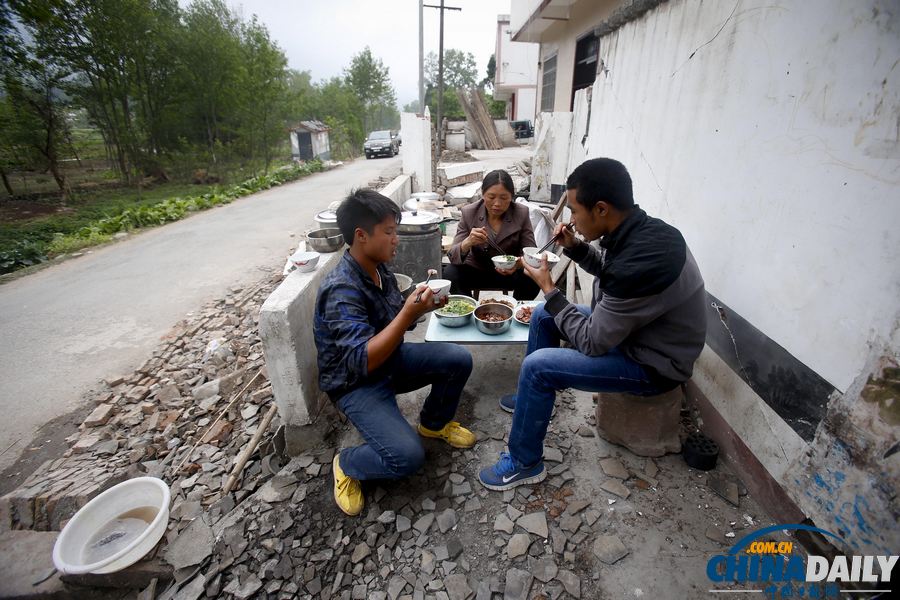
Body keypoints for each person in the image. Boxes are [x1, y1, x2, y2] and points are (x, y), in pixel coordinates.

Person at [478, 158, 708, 491]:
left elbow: (591, 342)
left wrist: (549, 288)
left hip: (653, 362)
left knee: (537, 366)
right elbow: (608, 270)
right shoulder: (637, 232)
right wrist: (575, 247)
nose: (571, 220)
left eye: (574, 211)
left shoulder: (641, 263)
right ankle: (532, 403)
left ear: (601, 209)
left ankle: (524, 462)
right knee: (544, 316)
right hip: (636, 331)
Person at [314, 189, 477, 516]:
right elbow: (362, 359)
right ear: (361, 236)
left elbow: (392, 321)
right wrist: (406, 315)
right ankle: (347, 464)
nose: (396, 240)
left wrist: (419, 309)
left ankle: (433, 423)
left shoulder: (378, 268)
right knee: (407, 456)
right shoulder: (340, 289)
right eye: (389, 232)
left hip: (388, 362)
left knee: (458, 359)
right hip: (356, 383)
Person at [444, 169, 540, 300]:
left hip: (509, 274)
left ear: (511, 197)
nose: (497, 203)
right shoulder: (469, 212)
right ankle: (468, 310)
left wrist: (517, 264)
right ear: (483, 194)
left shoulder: (521, 213)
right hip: (476, 271)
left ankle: (518, 311)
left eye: (504, 198)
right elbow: (452, 255)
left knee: (534, 276)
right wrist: (468, 242)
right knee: (450, 273)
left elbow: (531, 252)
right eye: (491, 197)